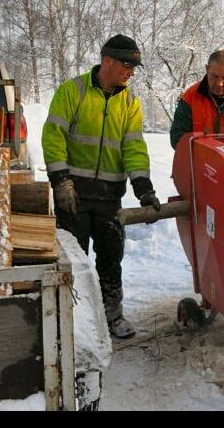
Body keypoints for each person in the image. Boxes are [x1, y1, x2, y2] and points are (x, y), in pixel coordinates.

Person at [42, 34, 160, 339]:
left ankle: (112, 314)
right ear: (107, 61)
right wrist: (61, 181)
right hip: (74, 197)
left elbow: (133, 148)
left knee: (110, 260)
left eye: (134, 67)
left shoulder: (130, 103)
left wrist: (144, 187)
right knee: (74, 262)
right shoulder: (73, 91)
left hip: (109, 198)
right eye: (127, 65)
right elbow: (54, 136)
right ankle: (76, 323)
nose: (131, 72)